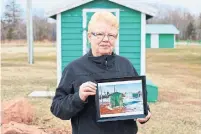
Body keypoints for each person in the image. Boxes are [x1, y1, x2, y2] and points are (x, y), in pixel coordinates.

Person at [50, 11, 151, 134]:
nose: (106, 39)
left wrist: (144, 113)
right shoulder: (74, 69)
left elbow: (141, 101)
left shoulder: (126, 65)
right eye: (100, 34)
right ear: (89, 37)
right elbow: (57, 108)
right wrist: (79, 97)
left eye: (111, 35)